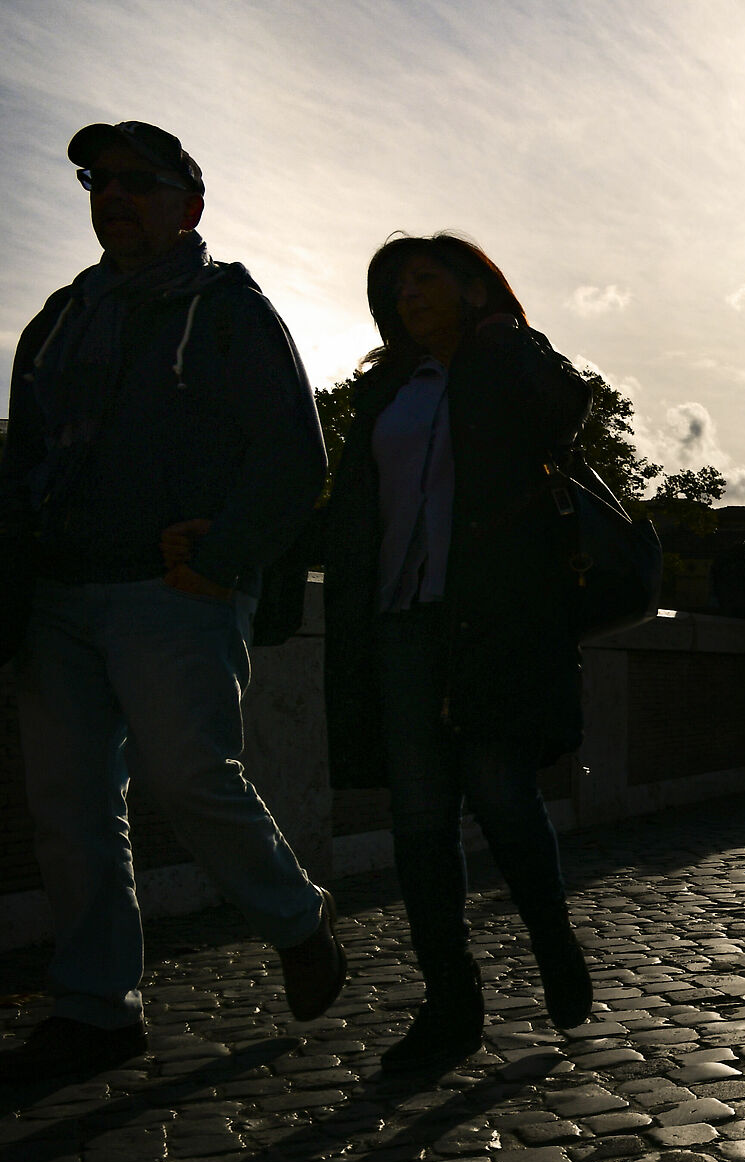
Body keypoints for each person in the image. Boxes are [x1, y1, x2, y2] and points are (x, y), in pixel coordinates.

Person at [0, 121, 344, 1074]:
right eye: (97, 181)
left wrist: (223, 556)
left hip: (172, 591)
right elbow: (21, 464)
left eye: (138, 181)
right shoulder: (58, 321)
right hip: (58, 596)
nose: (114, 194)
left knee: (192, 775)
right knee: (69, 808)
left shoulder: (230, 310)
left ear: (190, 202)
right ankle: (98, 1008)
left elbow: (293, 457)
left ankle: (296, 919)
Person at [312, 232, 596, 1069]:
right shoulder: (387, 393)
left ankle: (552, 940)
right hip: (400, 624)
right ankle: (450, 1003)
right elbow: (353, 510)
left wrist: (503, 336)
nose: (407, 294)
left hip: (493, 617)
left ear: (473, 288)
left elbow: (565, 409)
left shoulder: (510, 364)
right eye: (396, 285)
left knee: (502, 791)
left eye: (426, 279)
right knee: (420, 819)